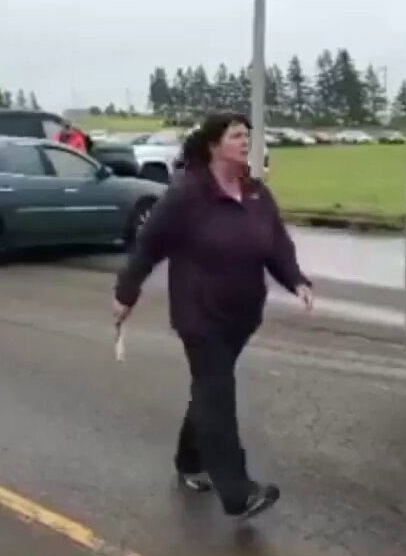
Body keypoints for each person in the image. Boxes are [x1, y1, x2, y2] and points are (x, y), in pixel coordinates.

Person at [112, 112, 313, 523]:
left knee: (207, 390)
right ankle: (237, 492)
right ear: (214, 145)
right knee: (217, 392)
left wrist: (296, 280)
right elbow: (149, 245)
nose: (246, 142)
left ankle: (188, 461)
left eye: (248, 136)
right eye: (237, 135)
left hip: (241, 316)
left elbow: (276, 243)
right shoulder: (187, 195)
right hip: (199, 314)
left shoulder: (256, 193)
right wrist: (126, 293)